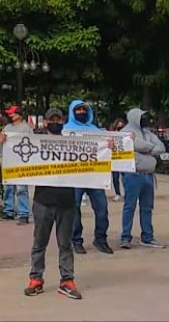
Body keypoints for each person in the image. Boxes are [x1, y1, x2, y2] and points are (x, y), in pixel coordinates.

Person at [22, 108, 81, 299]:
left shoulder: (71, 144)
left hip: (66, 201)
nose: (56, 122)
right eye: (52, 119)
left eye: (59, 118)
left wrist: (107, 147)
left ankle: (67, 280)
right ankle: (36, 278)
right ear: (45, 122)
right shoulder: (36, 143)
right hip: (43, 201)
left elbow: (93, 154)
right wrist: (4, 143)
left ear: (63, 121)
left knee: (65, 243)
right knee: (39, 242)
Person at [62, 100, 113, 255]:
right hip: (75, 176)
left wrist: (111, 145)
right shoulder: (66, 130)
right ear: (72, 112)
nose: (82, 112)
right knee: (74, 209)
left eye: (84, 109)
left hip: (94, 176)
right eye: (78, 110)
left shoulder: (95, 130)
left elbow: (106, 148)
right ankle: (76, 240)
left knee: (102, 209)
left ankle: (101, 239)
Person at [119, 108, 166, 249]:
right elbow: (134, 144)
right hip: (133, 175)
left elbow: (161, 147)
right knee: (130, 207)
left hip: (149, 176)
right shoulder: (125, 133)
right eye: (142, 116)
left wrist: (145, 148)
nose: (145, 119)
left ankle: (147, 237)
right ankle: (125, 237)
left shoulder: (148, 133)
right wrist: (150, 148)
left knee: (147, 208)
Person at [0, 105, 31, 224]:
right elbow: (2, 145)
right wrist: (1, 140)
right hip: (8, 161)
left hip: (21, 162)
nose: (10, 115)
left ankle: (23, 213)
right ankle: (8, 211)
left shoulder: (26, 128)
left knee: (22, 188)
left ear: (19, 114)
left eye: (12, 113)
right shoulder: (7, 127)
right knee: (8, 187)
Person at [109, 118, 126, 202]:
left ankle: (128, 193)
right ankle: (117, 193)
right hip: (114, 160)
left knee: (125, 178)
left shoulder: (125, 134)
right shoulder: (111, 134)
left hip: (123, 159)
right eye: (118, 125)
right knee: (115, 178)